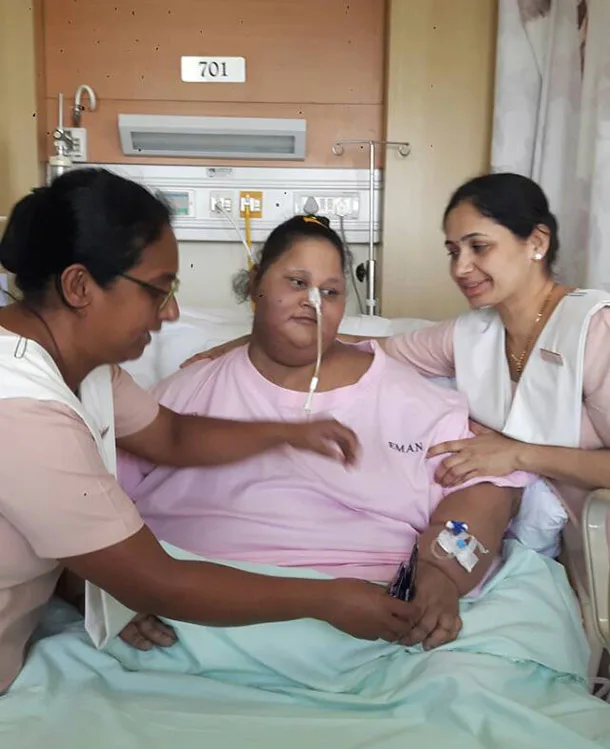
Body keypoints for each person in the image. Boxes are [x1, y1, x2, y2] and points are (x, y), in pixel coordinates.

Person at [0, 169, 419, 694]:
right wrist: (328, 600)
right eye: (158, 291)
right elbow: (160, 582)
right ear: (80, 286)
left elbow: (171, 436)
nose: (171, 312)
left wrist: (287, 431)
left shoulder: (85, 367)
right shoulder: (21, 409)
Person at [116, 214, 533, 652]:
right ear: (257, 283)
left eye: (330, 292)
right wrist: (108, 591)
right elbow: (95, 494)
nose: (313, 302)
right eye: (297, 282)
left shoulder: (408, 397)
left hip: (378, 618)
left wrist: (443, 574)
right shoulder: (187, 392)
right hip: (192, 613)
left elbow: (486, 489)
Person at [186, 174, 610, 541]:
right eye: (453, 250)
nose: (461, 268)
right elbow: (369, 346)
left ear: (536, 242)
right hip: (540, 538)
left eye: (478, 247)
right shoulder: (472, 333)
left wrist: (519, 455)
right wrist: (258, 336)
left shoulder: (593, 330)